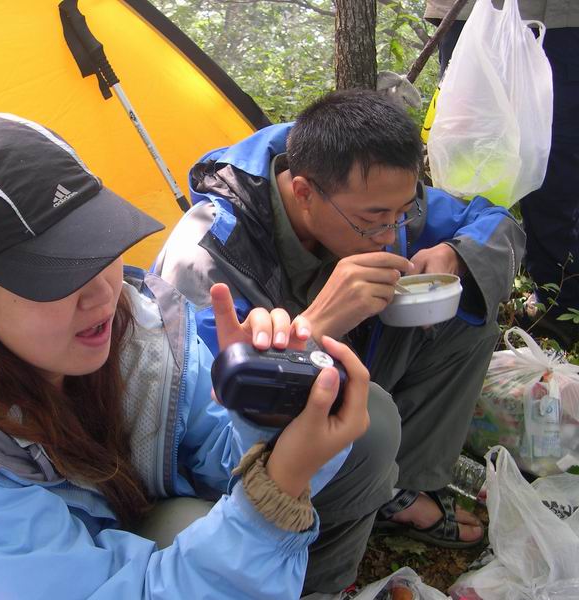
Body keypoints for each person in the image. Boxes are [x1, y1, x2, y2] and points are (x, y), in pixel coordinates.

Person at [0, 113, 372, 599]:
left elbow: (215, 456)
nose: (102, 293)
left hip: (111, 545)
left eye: (99, 246)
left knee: (364, 427)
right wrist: (274, 494)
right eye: (54, 275)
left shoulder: (137, 323)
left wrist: (268, 413)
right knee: (189, 528)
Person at [154, 89, 526, 592]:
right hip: (250, 454)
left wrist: (456, 256)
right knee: (365, 410)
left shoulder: (373, 187)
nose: (391, 233)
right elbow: (207, 426)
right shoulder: (209, 255)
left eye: (403, 211)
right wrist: (316, 324)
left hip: (353, 368)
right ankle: (313, 574)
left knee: (464, 313)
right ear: (303, 192)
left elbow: (496, 224)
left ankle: (395, 490)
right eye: (372, 220)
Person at [426, 0, 579, 348]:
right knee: (470, 162)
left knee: (552, 164)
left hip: (558, 19)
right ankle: (458, 299)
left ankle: (557, 308)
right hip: (471, 16)